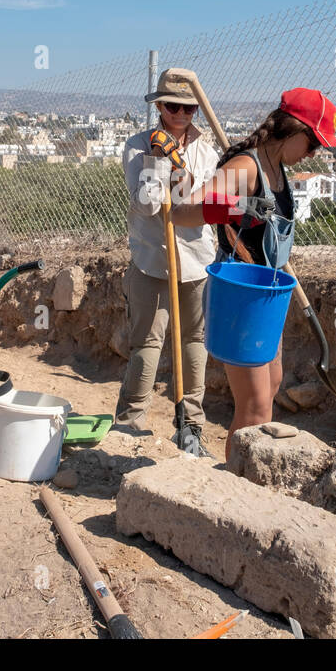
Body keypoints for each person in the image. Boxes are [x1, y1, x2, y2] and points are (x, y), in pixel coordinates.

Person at [169, 88, 336, 460]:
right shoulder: (246, 168)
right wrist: (237, 206)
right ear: (293, 130)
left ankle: (245, 472)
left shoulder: (276, 168)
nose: (313, 154)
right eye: (312, 144)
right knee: (256, 407)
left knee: (272, 385)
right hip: (239, 296)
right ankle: (235, 483)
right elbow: (182, 212)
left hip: (266, 293)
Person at [115, 70, 220, 455]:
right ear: (158, 106)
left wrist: (184, 175)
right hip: (150, 261)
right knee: (146, 344)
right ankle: (128, 428)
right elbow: (145, 204)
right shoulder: (136, 146)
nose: (180, 113)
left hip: (195, 262)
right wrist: (159, 161)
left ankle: (191, 428)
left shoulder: (207, 153)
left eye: (188, 108)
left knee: (195, 342)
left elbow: (201, 205)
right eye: (172, 106)